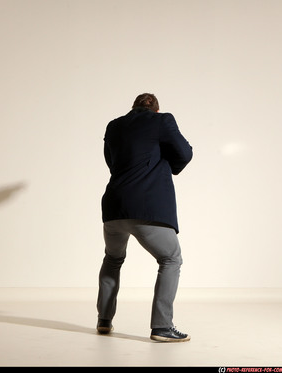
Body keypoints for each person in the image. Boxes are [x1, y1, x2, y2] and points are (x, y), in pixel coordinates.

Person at [96, 93, 193, 342]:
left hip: (114, 205)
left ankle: (104, 321)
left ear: (133, 107)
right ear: (156, 111)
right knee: (171, 259)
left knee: (113, 259)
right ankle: (162, 327)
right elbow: (184, 153)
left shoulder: (114, 125)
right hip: (147, 206)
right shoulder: (162, 121)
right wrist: (166, 162)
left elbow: (112, 161)